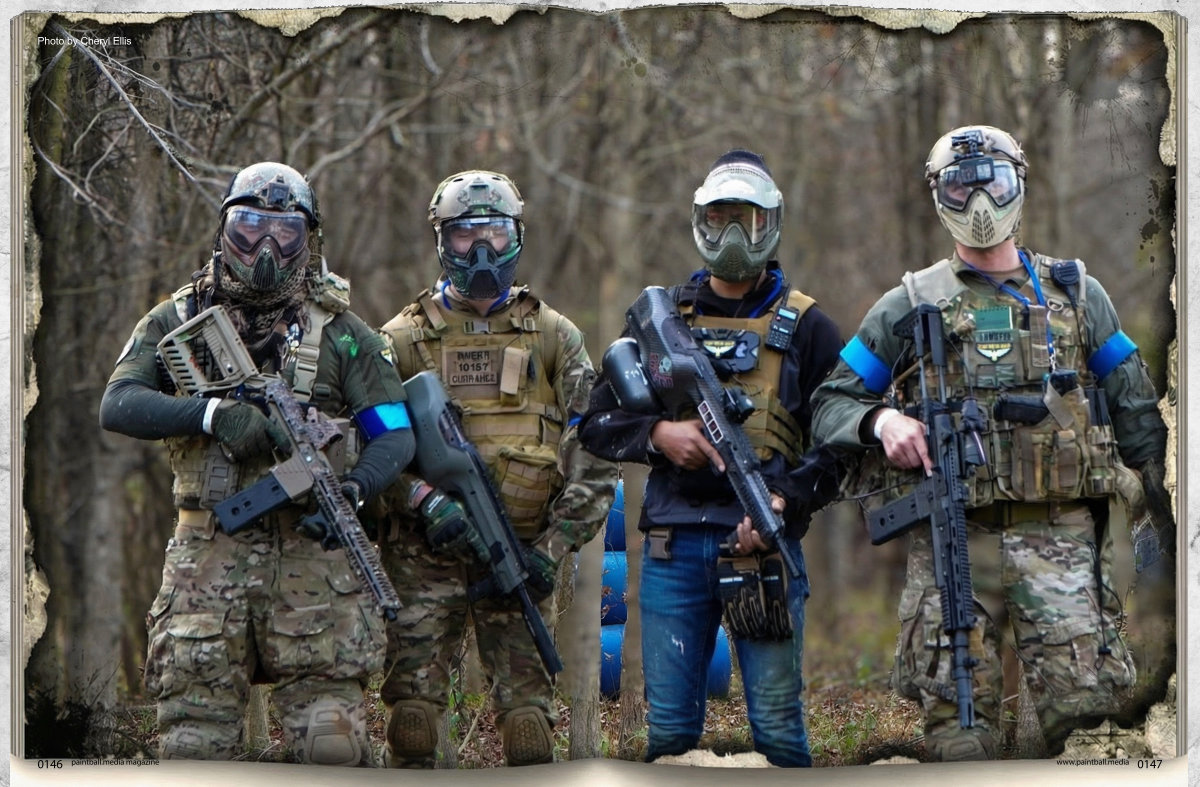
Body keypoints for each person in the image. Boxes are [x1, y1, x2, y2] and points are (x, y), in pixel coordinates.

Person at [810, 124, 1171, 760]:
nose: (979, 203)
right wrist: (883, 423)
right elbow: (831, 403)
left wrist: (1157, 514)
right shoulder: (908, 304)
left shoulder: (1077, 294)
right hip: (954, 545)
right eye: (960, 187)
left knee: (1088, 731)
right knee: (958, 738)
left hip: (1063, 545)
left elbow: (1138, 411)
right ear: (938, 196)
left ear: (1018, 186)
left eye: (993, 183)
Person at [99, 162, 414, 765]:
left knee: (332, 747)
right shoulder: (177, 318)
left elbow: (394, 433)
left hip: (315, 566)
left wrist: (353, 489)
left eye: (285, 232)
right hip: (206, 563)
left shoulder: (344, 334)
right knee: (193, 747)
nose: (265, 247)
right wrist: (211, 415)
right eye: (248, 227)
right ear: (223, 230)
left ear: (308, 240)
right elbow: (119, 404)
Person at [577, 149, 843, 767]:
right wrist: (659, 437)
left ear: (770, 224)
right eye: (719, 219)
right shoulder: (662, 319)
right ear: (700, 221)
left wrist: (784, 502)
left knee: (777, 730)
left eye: (746, 221)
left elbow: (840, 447)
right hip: (672, 549)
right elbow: (594, 422)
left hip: (763, 550)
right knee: (671, 732)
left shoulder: (809, 327)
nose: (732, 236)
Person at [376, 170, 618, 768]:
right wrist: (422, 501)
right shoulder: (399, 341)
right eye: (465, 235)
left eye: (495, 233)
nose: (481, 249)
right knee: (412, 723)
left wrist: (554, 548)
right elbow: (367, 451)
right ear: (442, 240)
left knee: (530, 728)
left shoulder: (555, 337)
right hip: (423, 559)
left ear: (517, 236)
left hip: (522, 555)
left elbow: (597, 450)